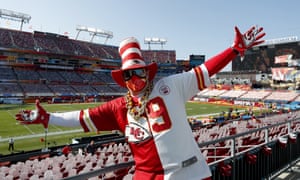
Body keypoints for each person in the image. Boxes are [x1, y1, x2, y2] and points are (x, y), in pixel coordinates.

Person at [15, 25, 265, 180]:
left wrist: (234, 50)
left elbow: (204, 70)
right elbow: (82, 118)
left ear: (148, 71)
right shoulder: (118, 107)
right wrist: (47, 118)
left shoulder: (172, 86)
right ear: (122, 79)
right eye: (128, 74)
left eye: (138, 71)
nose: (134, 78)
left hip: (189, 174)